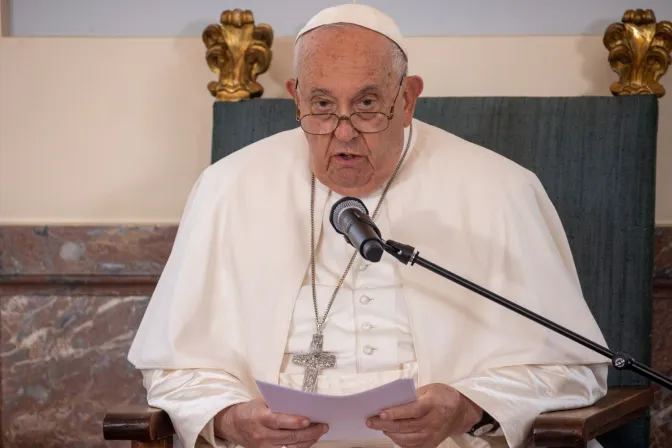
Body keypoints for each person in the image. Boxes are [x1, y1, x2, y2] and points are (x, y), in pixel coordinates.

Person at [128, 4, 610, 448]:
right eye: (321, 105)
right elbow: (175, 368)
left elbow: (571, 369)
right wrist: (231, 418)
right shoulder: (227, 188)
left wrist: (467, 407)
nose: (343, 131)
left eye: (366, 105)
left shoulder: (501, 188)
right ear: (295, 98)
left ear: (408, 99)